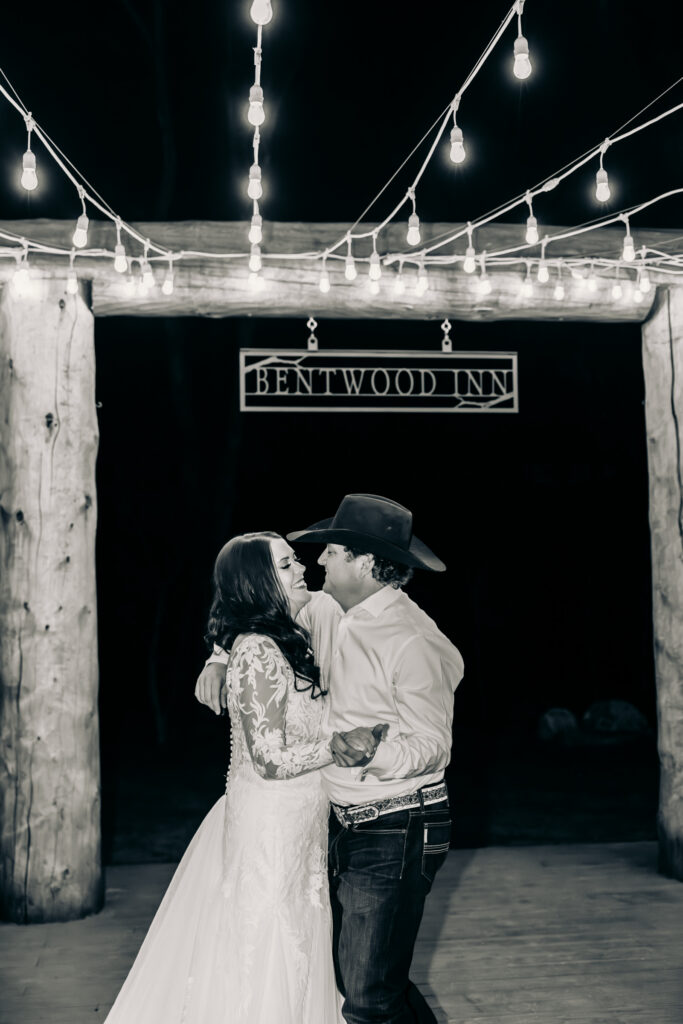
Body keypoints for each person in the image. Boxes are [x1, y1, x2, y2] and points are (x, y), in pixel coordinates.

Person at [197, 494, 465, 1024]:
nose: (318, 563)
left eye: (333, 554)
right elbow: (256, 604)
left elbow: (435, 744)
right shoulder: (328, 610)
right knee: (360, 976)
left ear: (364, 563)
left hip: (397, 822)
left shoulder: (412, 640)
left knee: (366, 995)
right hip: (337, 823)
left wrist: (371, 751)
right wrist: (219, 656)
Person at [104, 530, 382, 1024]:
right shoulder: (257, 650)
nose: (303, 570)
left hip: (302, 819)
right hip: (270, 821)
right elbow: (270, 760)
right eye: (287, 565)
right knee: (265, 936)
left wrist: (219, 652)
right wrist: (338, 747)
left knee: (299, 930)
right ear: (259, 582)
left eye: (297, 560)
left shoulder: (297, 627)